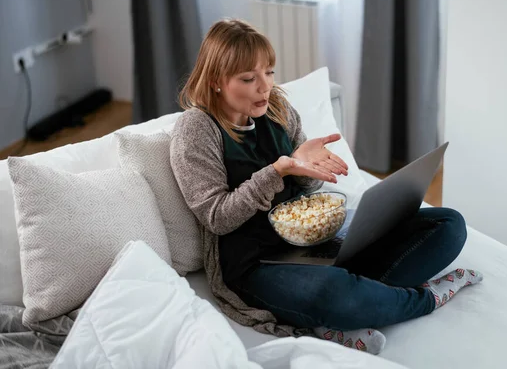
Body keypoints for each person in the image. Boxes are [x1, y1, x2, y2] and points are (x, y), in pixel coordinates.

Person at [170, 19, 483, 355]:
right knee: (335, 295)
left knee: (448, 225)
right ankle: (426, 297)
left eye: (269, 72)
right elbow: (216, 217)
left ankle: (354, 306)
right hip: (254, 264)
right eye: (248, 78)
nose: (265, 86)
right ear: (216, 81)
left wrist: (305, 169)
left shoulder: (277, 107)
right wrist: (277, 171)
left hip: (312, 243)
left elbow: (306, 189)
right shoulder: (196, 129)